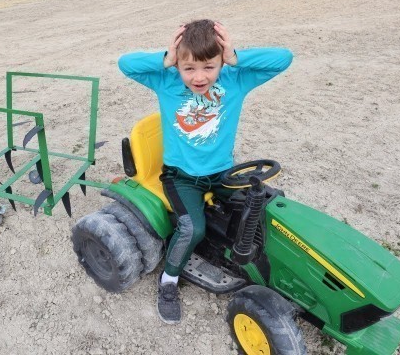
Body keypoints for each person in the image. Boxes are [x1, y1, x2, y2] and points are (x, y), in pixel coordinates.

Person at [118, 20, 292, 324]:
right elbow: (125, 64)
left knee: (260, 204)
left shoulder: (235, 80)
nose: (199, 77)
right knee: (192, 229)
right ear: (178, 66)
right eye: (189, 69)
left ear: (221, 62)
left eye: (209, 67)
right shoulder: (166, 80)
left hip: (223, 172)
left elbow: (284, 57)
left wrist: (236, 57)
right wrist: (166, 60)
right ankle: (169, 282)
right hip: (182, 176)